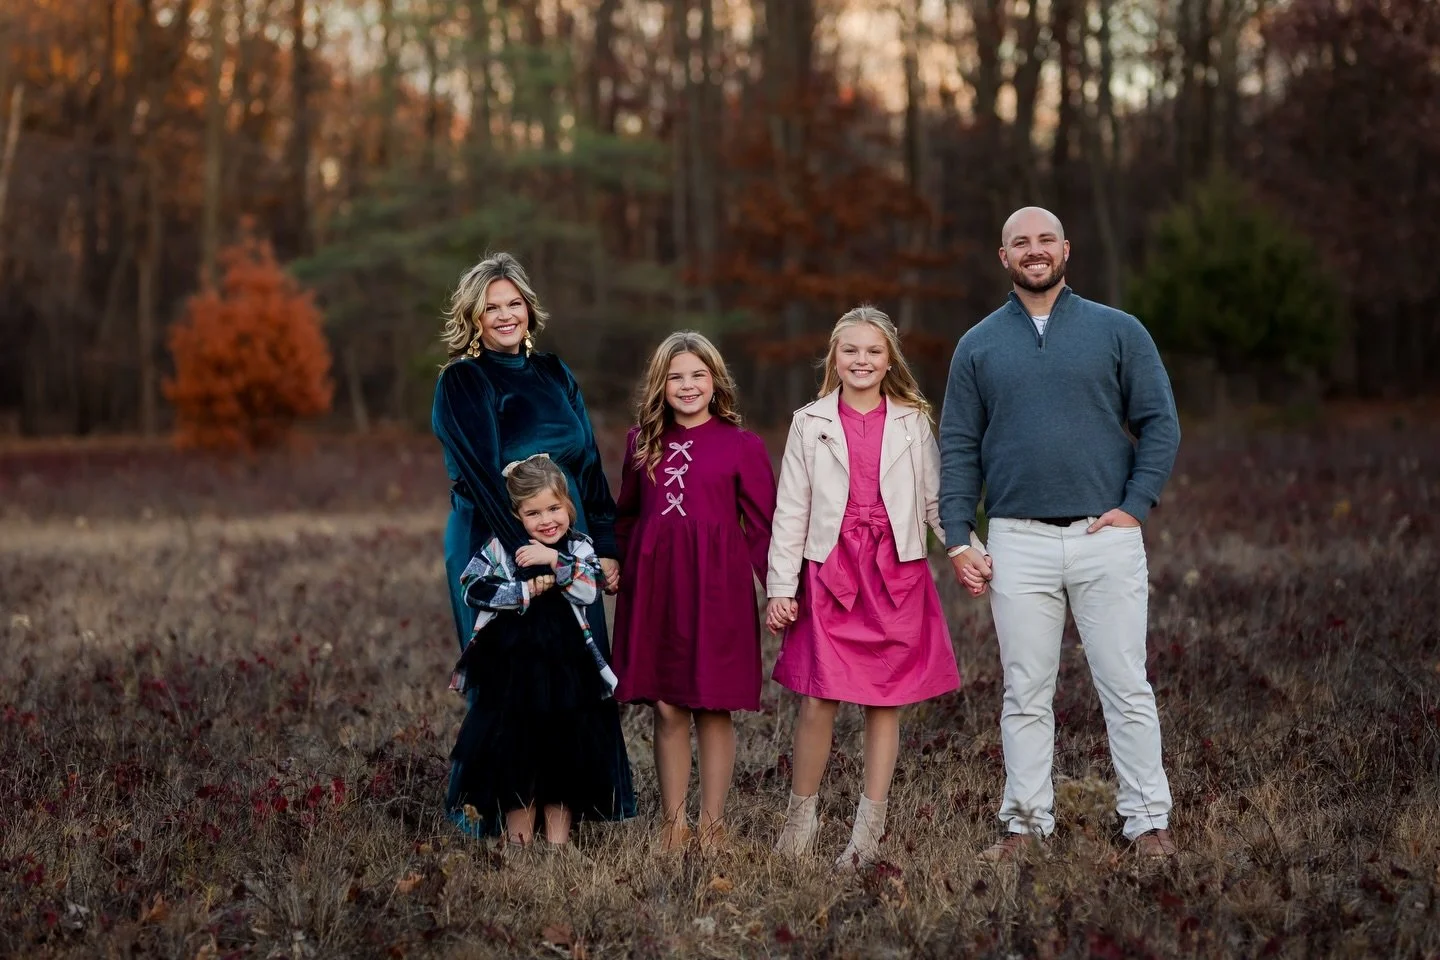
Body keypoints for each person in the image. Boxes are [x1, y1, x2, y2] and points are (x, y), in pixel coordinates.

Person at [938, 206, 1181, 862]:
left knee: (1126, 685)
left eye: (1046, 240)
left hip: (1107, 536)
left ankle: (1146, 823)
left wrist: (1135, 505)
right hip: (1017, 540)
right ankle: (1025, 827)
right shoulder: (978, 345)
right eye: (1022, 242)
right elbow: (958, 445)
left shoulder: (1117, 331)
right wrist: (958, 536)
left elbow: (1160, 422)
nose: (1035, 250)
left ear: (1067, 249)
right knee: (1024, 690)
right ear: (1004, 256)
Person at [431, 251, 634, 838]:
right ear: (472, 316)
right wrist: (528, 561)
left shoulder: (553, 373)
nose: (503, 316)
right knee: (511, 679)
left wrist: (599, 545)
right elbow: (479, 472)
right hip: (492, 545)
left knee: (574, 678)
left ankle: (564, 820)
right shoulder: (462, 382)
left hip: (566, 545)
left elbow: (590, 466)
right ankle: (498, 818)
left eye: (513, 303)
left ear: (529, 308)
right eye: (490, 307)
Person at [766, 306, 975, 871]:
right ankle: (800, 820)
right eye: (850, 350)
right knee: (818, 698)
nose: (862, 360)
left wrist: (962, 547)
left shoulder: (912, 419)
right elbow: (792, 510)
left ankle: (868, 830)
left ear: (889, 361)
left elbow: (935, 500)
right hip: (829, 573)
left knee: (886, 703)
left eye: (873, 351)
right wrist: (780, 587)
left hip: (894, 575)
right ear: (834, 357)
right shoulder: (809, 422)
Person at [611, 332, 777, 852]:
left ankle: (712, 825)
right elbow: (627, 513)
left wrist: (778, 587)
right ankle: (674, 823)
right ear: (661, 386)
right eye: (676, 377)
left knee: (711, 703)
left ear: (715, 382)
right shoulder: (642, 442)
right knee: (666, 705)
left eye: (698, 375)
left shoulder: (741, 445)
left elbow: (764, 524)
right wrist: (616, 560)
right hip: (655, 585)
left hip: (717, 588)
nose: (687, 386)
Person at [447, 454, 631, 845]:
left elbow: (590, 586)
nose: (547, 520)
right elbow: (471, 587)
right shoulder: (501, 548)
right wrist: (521, 591)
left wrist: (554, 560)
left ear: (569, 506)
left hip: (568, 670)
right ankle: (519, 844)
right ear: (517, 516)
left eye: (554, 508)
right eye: (533, 513)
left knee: (564, 756)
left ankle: (558, 845)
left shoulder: (579, 548)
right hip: (514, 672)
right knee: (518, 755)